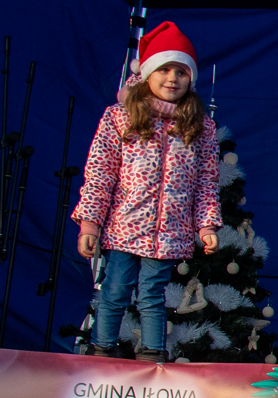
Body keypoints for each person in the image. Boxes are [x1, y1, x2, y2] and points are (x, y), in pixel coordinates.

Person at [72, 22, 222, 361]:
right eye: (164, 69)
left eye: (181, 72)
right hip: (124, 227)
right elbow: (100, 173)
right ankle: (102, 349)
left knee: (152, 294)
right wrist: (90, 223)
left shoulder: (200, 126)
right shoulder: (120, 117)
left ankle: (153, 355)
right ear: (147, 73)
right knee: (114, 290)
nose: (172, 78)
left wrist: (206, 225)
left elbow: (206, 182)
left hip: (168, 232)